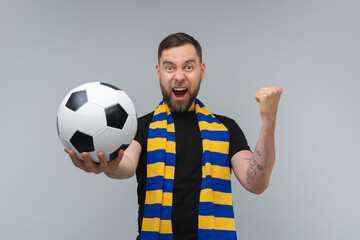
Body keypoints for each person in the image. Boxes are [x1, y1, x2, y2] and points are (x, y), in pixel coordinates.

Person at [67, 32, 282, 240]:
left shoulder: (226, 128)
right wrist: (109, 165)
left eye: (188, 67)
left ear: (202, 71)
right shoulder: (141, 127)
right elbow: (126, 165)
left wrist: (268, 120)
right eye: (170, 68)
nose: (179, 76)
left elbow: (256, 183)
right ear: (158, 72)